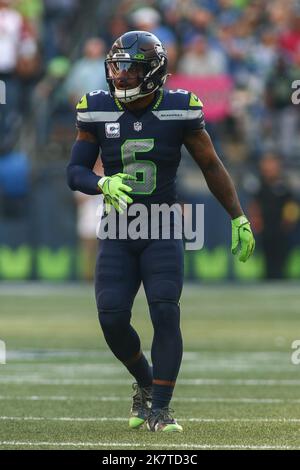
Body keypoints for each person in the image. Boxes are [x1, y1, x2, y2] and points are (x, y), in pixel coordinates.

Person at [66, 31, 255, 433]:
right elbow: (75, 171)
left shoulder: (179, 108)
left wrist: (237, 215)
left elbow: (211, 165)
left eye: (129, 68)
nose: (118, 76)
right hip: (118, 226)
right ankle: (146, 382)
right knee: (112, 317)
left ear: (152, 73)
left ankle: (161, 407)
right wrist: (100, 183)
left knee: (165, 311)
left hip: (163, 223)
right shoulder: (97, 108)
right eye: (115, 67)